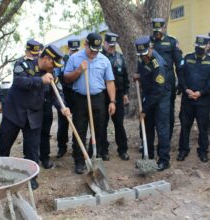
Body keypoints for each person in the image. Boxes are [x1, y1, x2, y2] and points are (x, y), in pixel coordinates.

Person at [0, 45, 70, 189]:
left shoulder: (52, 75)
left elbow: (57, 94)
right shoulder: (23, 64)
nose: (54, 67)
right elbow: (19, 82)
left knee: (32, 147)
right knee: (5, 144)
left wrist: (63, 107)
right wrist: (40, 80)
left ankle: (31, 177)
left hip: (34, 115)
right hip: (14, 113)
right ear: (46, 58)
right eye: (53, 63)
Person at [63, 32, 116, 174]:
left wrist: (112, 101)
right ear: (86, 44)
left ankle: (94, 156)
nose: (94, 53)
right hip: (80, 99)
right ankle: (79, 161)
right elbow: (67, 78)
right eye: (91, 49)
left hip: (98, 98)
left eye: (96, 50)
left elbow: (110, 82)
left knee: (99, 129)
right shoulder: (74, 58)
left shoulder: (104, 60)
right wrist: (79, 70)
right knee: (79, 130)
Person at [133, 36, 172, 171]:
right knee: (147, 126)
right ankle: (148, 156)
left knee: (161, 129)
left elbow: (158, 92)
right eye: (141, 54)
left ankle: (164, 160)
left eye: (145, 54)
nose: (143, 57)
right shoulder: (141, 57)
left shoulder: (158, 64)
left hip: (160, 96)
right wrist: (139, 75)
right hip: (148, 94)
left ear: (151, 48)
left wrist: (144, 110)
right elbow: (142, 69)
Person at [178, 35, 210, 162]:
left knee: (202, 127)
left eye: (201, 47)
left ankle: (203, 151)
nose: (199, 49)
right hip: (188, 99)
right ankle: (183, 150)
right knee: (185, 126)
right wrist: (186, 89)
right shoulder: (187, 58)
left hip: (203, 100)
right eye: (197, 47)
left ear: (207, 46)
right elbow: (181, 76)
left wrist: (200, 93)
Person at [150, 18, 182, 140]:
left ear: (163, 29)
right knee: (150, 110)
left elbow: (179, 64)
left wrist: (181, 83)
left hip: (168, 80)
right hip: (152, 80)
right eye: (155, 31)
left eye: (159, 31)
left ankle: (166, 140)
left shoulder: (172, 42)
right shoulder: (149, 42)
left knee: (168, 111)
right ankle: (147, 141)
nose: (157, 34)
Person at [101, 32, 130, 161]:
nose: (111, 47)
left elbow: (125, 77)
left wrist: (125, 93)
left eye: (113, 45)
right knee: (102, 124)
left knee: (119, 123)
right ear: (104, 43)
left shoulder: (120, 58)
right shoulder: (99, 57)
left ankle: (122, 149)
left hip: (118, 95)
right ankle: (103, 151)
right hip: (102, 95)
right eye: (109, 45)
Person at [56, 39, 80, 158]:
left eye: (76, 50)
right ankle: (62, 147)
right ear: (68, 49)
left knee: (79, 122)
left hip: (77, 93)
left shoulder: (82, 59)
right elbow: (57, 76)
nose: (74, 52)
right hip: (65, 93)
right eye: (73, 50)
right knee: (63, 122)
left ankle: (77, 147)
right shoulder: (63, 60)